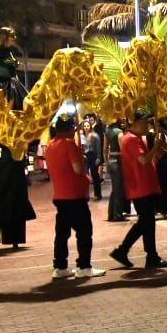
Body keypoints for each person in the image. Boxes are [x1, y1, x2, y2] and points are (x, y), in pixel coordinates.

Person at [44, 114, 103, 279]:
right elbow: (78, 169)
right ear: (70, 128)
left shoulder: (50, 145)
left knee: (62, 234)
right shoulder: (70, 145)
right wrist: (81, 159)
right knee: (84, 232)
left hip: (60, 195)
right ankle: (84, 266)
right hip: (74, 195)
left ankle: (60, 266)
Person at [110, 111, 167, 271]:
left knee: (145, 223)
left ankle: (125, 251)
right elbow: (143, 160)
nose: (147, 126)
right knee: (146, 223)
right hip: (140, 187)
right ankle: (149, 256)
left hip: (145, 186)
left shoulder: (136, 138)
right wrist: (155, 148)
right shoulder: (131, 139)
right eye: (145, 122)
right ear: (136, 123)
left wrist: (159, 149)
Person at [0, 139, 35, 249]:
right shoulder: (18, 143)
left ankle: (6, 233)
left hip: (5, 179)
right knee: (14, 208)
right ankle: (14, 239)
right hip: (14, 180)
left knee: (5, 206)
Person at [105, 118, 129, 221]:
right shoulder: (119, 132)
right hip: (118, 161)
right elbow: (123, 149)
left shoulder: (106, 131)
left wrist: (106, 162)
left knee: (115, 188)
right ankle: (117, 214)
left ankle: (111, 213)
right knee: (119, 189)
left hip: (111, 160)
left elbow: (105, 149)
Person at [83, 116, 104, 200]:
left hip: (93, 156)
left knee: (95, 175)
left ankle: (98, 194)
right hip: (86, 156)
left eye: (88, 125)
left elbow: (99, 147)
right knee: (85, 176)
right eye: (85, 126)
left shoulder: (94, 135)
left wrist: (98, 157)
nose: (86, 127)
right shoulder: (82, 136)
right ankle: (86, 195)